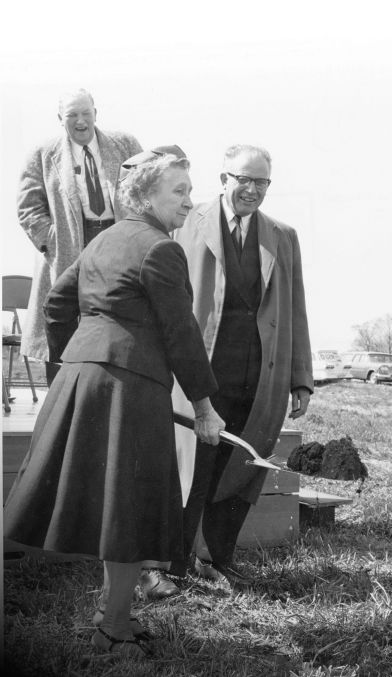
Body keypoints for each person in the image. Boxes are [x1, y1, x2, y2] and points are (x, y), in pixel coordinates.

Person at [4, 150, 225, 657]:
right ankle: (113, 625)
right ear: (146, 196)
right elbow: (181, 332)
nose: (189, 203)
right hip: (131, 389)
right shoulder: (161, 249)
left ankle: (111, 613)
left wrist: (80, 364)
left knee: (115, 509)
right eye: (179, 192)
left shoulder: (103, 239)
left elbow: (58, 304)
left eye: (190, 192)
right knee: (131, 510)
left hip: (85, 379)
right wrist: (205, 407)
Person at [142, 143, 313, 594]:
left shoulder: (283, 235)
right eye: (244, 180)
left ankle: (218, 558)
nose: (252, 190)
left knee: (240, 470)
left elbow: (295, 310)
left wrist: (300, 378)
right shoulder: (184, 222)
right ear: (223, 179)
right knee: (188, 471)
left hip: (258, 380)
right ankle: (166, 567)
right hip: (197, 376)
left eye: (262, 182)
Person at [18, 88, 142, 382]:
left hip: (118, 242)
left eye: (86, 113)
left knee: (118, 321)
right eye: (72, 115)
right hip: (69, 249)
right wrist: (54, 241)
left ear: (96, 113)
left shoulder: (125, 144)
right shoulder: (43, 154)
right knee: (63, 324)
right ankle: (60, 404)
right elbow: (28, 208)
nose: (81, 121)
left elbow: (145, 188)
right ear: (60, 118)